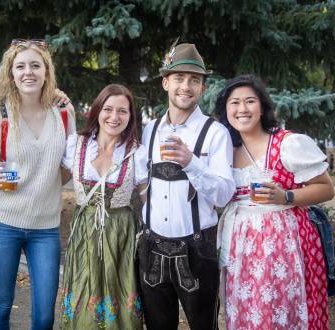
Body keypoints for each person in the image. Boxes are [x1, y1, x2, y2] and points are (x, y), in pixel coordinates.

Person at [215, 74, 335, 329]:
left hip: (285, 245)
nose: (242, 109)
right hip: (240, 247)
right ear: (225, 110)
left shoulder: (287, 143)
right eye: (234, 103)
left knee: (281, 312)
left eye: (250, 101)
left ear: (262, 107)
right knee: (247, 312)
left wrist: (287, 196)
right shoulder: (225, 150)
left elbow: (326, 189)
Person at [138, 43, 235, 330]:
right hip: (152, 246)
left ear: (203, 88)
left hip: (198, 250)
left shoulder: (215, 133)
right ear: (166, 82)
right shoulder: (149, 129)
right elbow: (141, 180)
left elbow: (224, 194)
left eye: (194, 80)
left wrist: (191, 162)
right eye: (179, 78)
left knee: (204, 325)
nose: (186, 86)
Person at [0, 39, 75, 329]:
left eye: (35, 65)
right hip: (3, 224)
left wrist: (47, 181)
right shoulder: (0, 114)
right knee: (0, 304)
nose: (28, 72)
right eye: (20, 66)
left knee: (45, 312)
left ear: (46, 71)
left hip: (46, 228)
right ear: (11, 73)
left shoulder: (63, 113)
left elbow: (69, 166)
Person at [59, 84, 147, 329]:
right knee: (82, 294)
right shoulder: (75, 144)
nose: (114, 117)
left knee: (120, 298)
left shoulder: (136, 153)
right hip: (84, 232)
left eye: (122, 111)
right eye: (108, 109)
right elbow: (50, 177)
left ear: (130, 116)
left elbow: (148, 200)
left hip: (120, 234)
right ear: (97, 110)